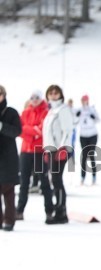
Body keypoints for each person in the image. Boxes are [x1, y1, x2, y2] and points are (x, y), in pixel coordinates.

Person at [16, 89, 54, 223]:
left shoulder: (45, 112)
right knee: (24, 183)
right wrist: (32, 133)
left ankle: (49, 211)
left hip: (39, 151)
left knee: (44, 182)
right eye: (32, 97)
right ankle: (19, 211)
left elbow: (42, 130)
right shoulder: (25, 113)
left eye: (37, 97)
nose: (34, 100)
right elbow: (19, 129)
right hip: (25, 151)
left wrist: (29, 132)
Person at [43, 84, 74, 224]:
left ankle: (61, 211)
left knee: (56, 179)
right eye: (51, 93)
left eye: (56, 93)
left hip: (60, 150)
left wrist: (63, 148)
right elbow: (48, 133)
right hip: (51, 149)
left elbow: (67, 130)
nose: (53, 95)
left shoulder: (63, 109)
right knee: (54, 179)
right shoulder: (51, 111)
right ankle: (60, 209)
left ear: (60, 95)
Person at [0, 85, 22, 231]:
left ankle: (9, 220)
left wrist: (2, 127)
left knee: (8, 190)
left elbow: (17, 131)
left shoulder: (11, 112)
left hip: (8, 157)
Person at [75, 94, 100, 185]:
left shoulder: (91, 109)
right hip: (83, 135)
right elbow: (74, 121)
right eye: (82, 100)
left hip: (92, 134)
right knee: (84, 156)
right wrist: (77, 116)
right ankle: (82, 177)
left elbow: (98, 120)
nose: (83, 102)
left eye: (85, 100)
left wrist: (93, 117)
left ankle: (94, 176)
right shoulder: (79, 110)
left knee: (91, 155)